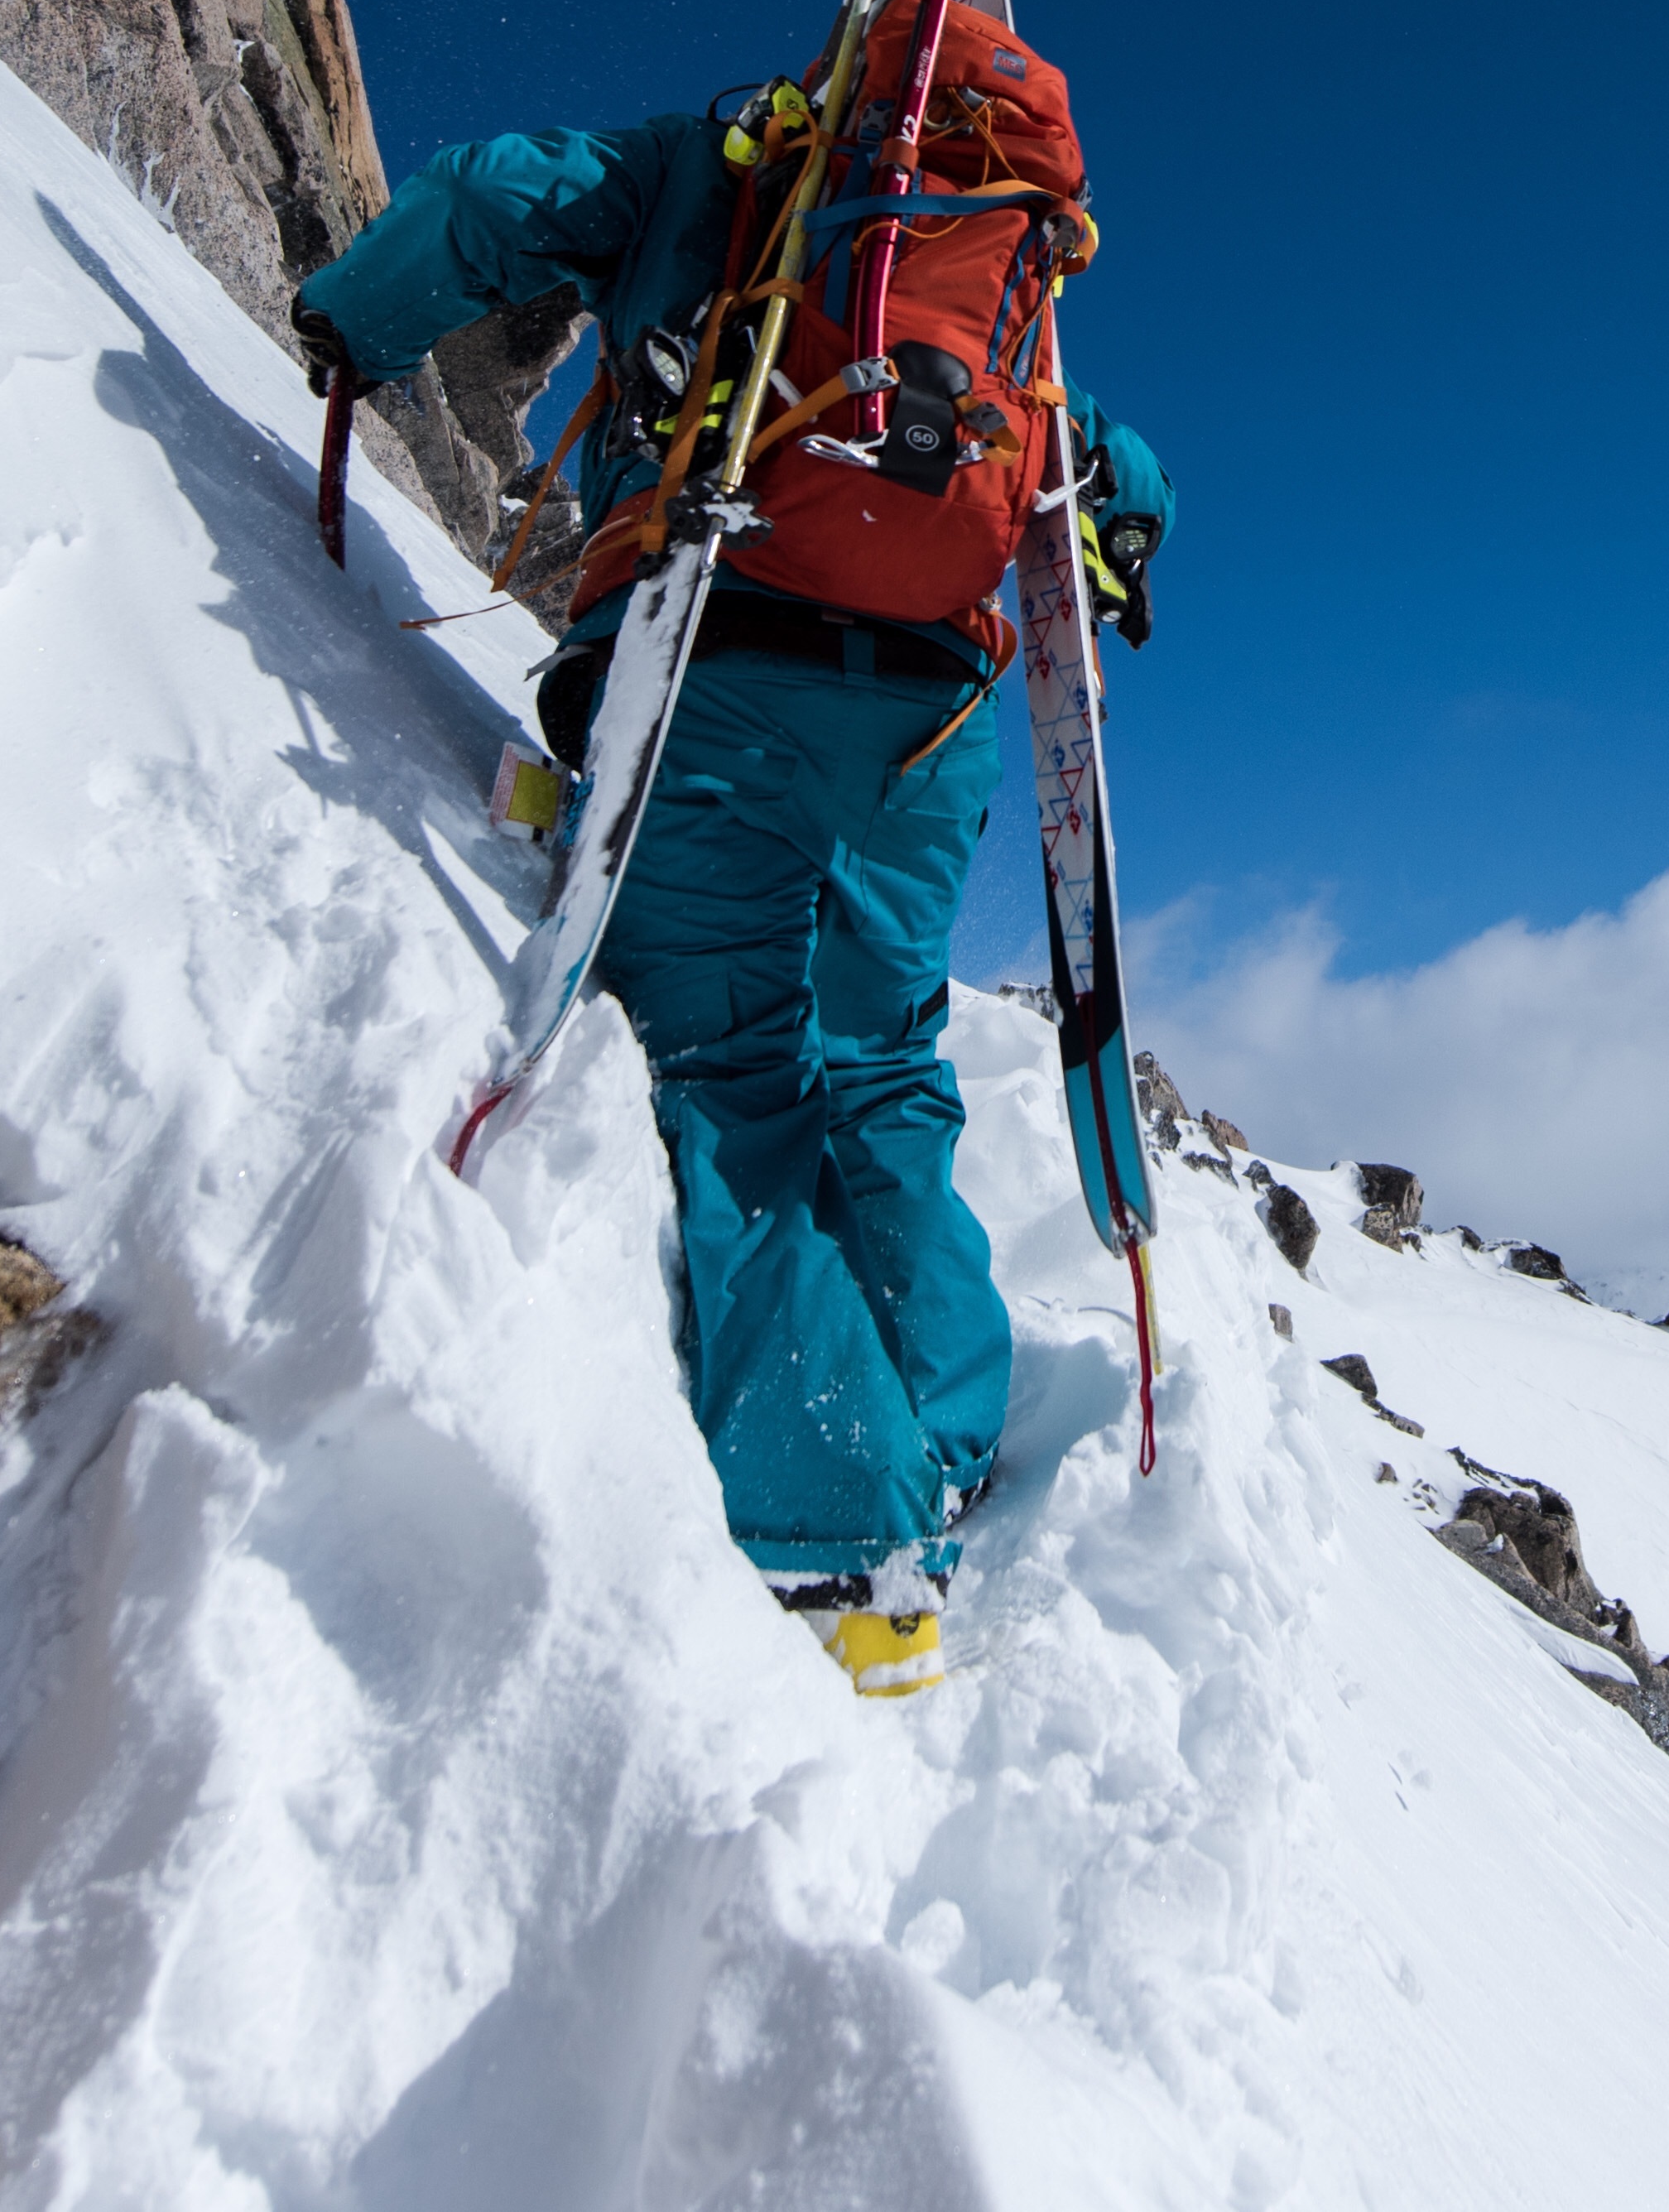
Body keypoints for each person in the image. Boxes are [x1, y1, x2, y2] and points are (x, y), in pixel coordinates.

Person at [295, 89, 1168, 1671]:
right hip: (937, 711)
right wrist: (1128, 528)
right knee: (883, 1059)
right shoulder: (989, 265)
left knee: (733, 1067)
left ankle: (843, 1539)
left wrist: (354, 320)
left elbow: (495, 185)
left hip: (717, 645)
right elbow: (1118, 462)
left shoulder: (725, 167)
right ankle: (948, 1430)